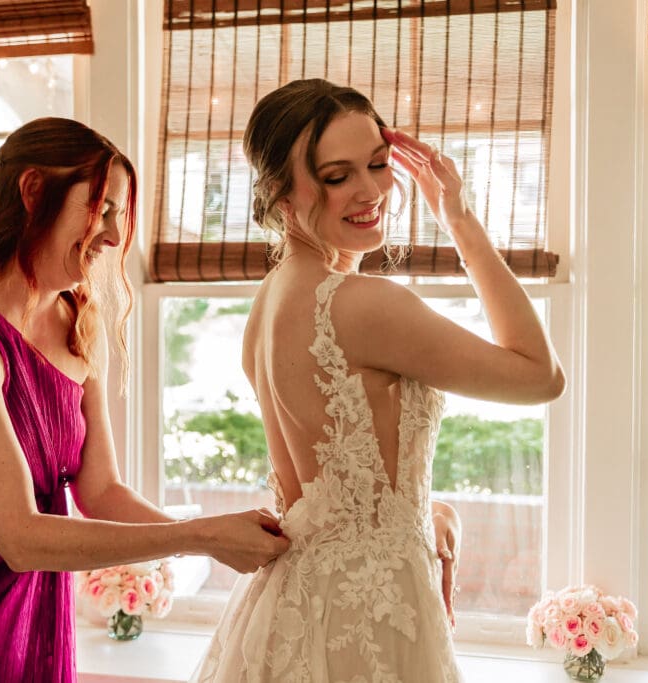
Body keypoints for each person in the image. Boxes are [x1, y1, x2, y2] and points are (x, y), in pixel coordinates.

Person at [0, 117, 291, 683]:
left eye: (119, 215)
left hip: (28, 584)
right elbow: (19, 534)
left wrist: (215, 539)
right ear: (33, 191)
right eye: (101, 208)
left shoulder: (79, 320)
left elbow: (100, 490)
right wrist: (199, 536)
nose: (112, 236)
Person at [192, 79, 565, 682]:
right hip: (365, 616)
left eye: (379, 163)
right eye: (337, 176)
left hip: (290, 602)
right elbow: (539, 376)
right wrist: (461, 222)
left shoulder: (270, 300)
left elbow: (330, 489)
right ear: (280, 194)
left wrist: (417, 512)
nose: (372, 191)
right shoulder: (361, 304)